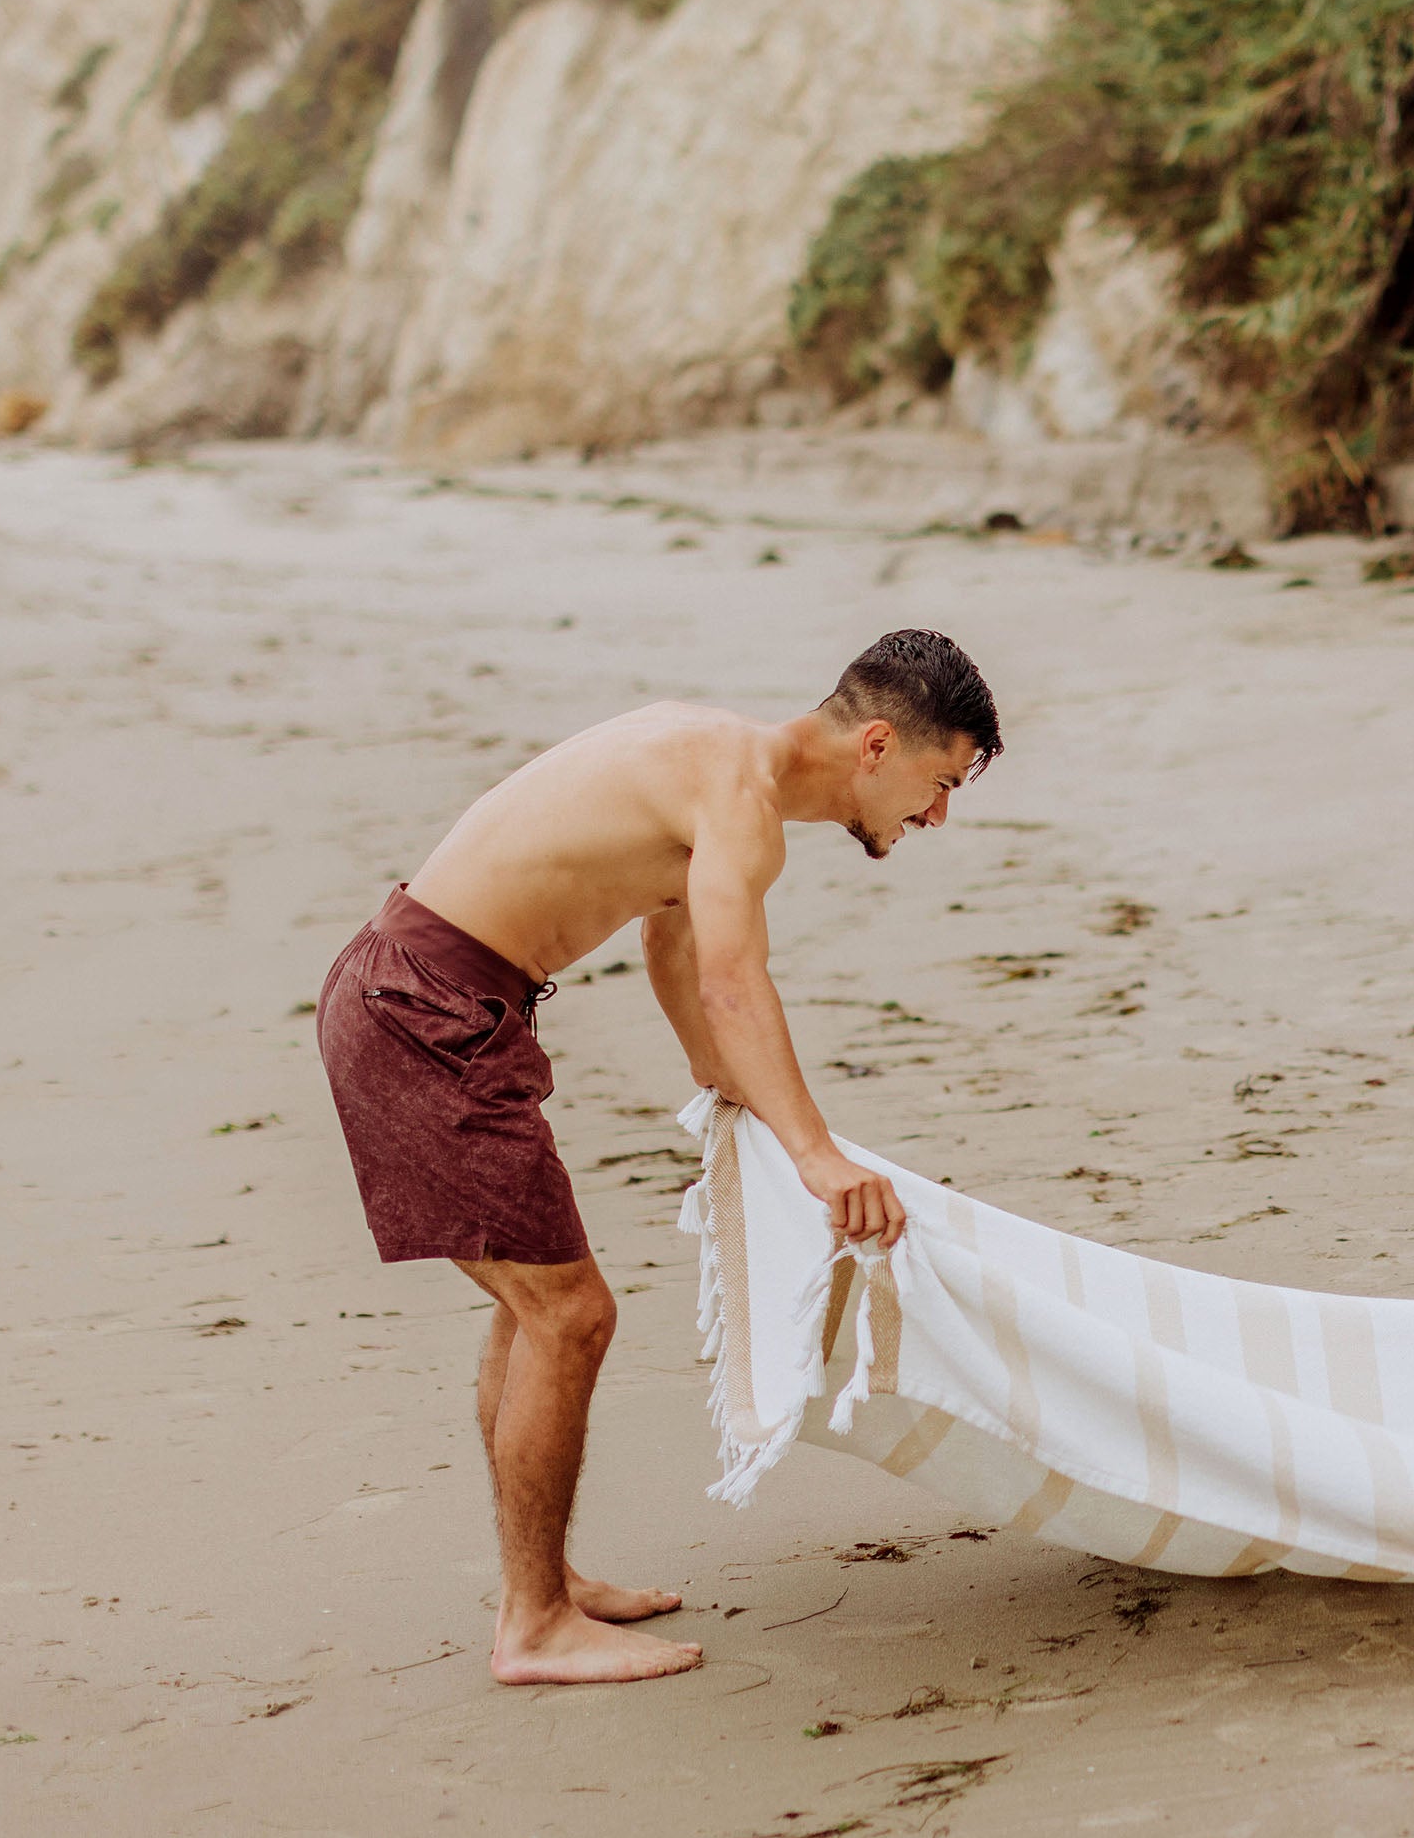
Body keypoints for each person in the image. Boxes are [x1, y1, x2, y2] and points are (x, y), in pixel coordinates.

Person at [314, 630, 1002, 1684]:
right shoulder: (737, 794)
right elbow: (734, 977)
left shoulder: (719, 763)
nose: (938, 814)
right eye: (939, 782)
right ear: (876, 744)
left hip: (431, 1001)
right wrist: (814, 1155)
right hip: (421, 1011)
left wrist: (718, 1078)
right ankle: (533, 1623)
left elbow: (673, 942)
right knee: (570, 1313)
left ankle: (540, 1580)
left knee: (530, 1304)